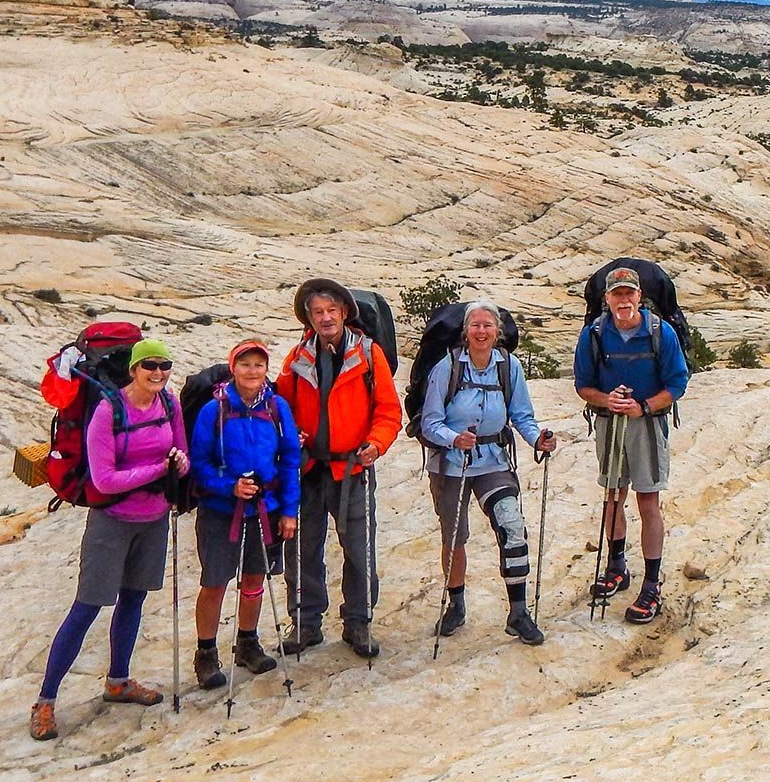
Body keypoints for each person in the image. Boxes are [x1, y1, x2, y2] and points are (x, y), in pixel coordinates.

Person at [30, 338, 189, 741]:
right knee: (86, 608)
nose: (157, 372)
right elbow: (104, 479)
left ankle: (118, 680)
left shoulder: (169, 405)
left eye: (164, 365)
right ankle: (45, 701)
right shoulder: (107, 411)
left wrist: (179, 465)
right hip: (112, 522)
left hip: (153, 520)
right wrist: (158, 471)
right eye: (149, 365)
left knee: (133, 600)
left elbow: (180, 455)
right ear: (133, 369)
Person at [276, 278, 402, 658]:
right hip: (309, 467)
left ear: (345, 313)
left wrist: (376, 444)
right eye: (318, 312)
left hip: (352, 468)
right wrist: (289, 434)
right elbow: (281, 406)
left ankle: (358, 623)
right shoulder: (297, 357)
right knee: (302, 549)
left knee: (359, 549)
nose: (326, 317)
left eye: (332, 310)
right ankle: (306, 624)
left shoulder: (368, 354)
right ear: (309, 318)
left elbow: (388, 410)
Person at [420, 300, 558, 645]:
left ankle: (519, 612)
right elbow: (429, 421)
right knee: (454, 537)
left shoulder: (508, 367)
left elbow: (521, 415)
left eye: (488, 326)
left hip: (494, 459)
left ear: (498, 332)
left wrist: (536, 439)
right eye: (475, 326)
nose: (481, 332)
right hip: (451, 464)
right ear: (465, 332)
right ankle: (456, 605)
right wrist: (454, 439)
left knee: (512, 526)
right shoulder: (446, 367)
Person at [573, 267, 689, 624]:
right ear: (607, 300)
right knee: (612, 496)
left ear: (640, 297)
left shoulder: (660, 333)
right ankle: (617, 566)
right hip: (610, 423)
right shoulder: (595, 334)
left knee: (648, 499)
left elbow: (678, 382)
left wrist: (644, 406)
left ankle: (652, 582)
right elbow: (583, 385)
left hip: (647, 424)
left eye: (629, 294)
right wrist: (607, 400)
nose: (623, 301)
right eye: (616, 294)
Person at [188, 338, 302, 688]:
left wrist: (289, 510)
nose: (252, 371)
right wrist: (229, 486)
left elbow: (290, 460)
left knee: (254, 579)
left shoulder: (278, 407)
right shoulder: (214, 410)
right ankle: (206, 653)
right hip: (221, 510)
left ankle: (247, 643)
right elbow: (199, 463)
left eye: (258, 365)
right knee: (215, 581)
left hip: (264, 510)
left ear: (265, 369)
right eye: (245, 364)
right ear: (233, 367)